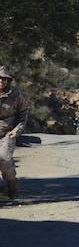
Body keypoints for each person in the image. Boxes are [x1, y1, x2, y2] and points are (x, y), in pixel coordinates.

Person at [0, 65, 30, 200]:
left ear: (8, 81)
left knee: (5, 160)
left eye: (4, 79)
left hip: (7, 133)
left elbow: (23, 114)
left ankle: (12, 185)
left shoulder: (16, 96)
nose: (1, 81)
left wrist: (16, 130)